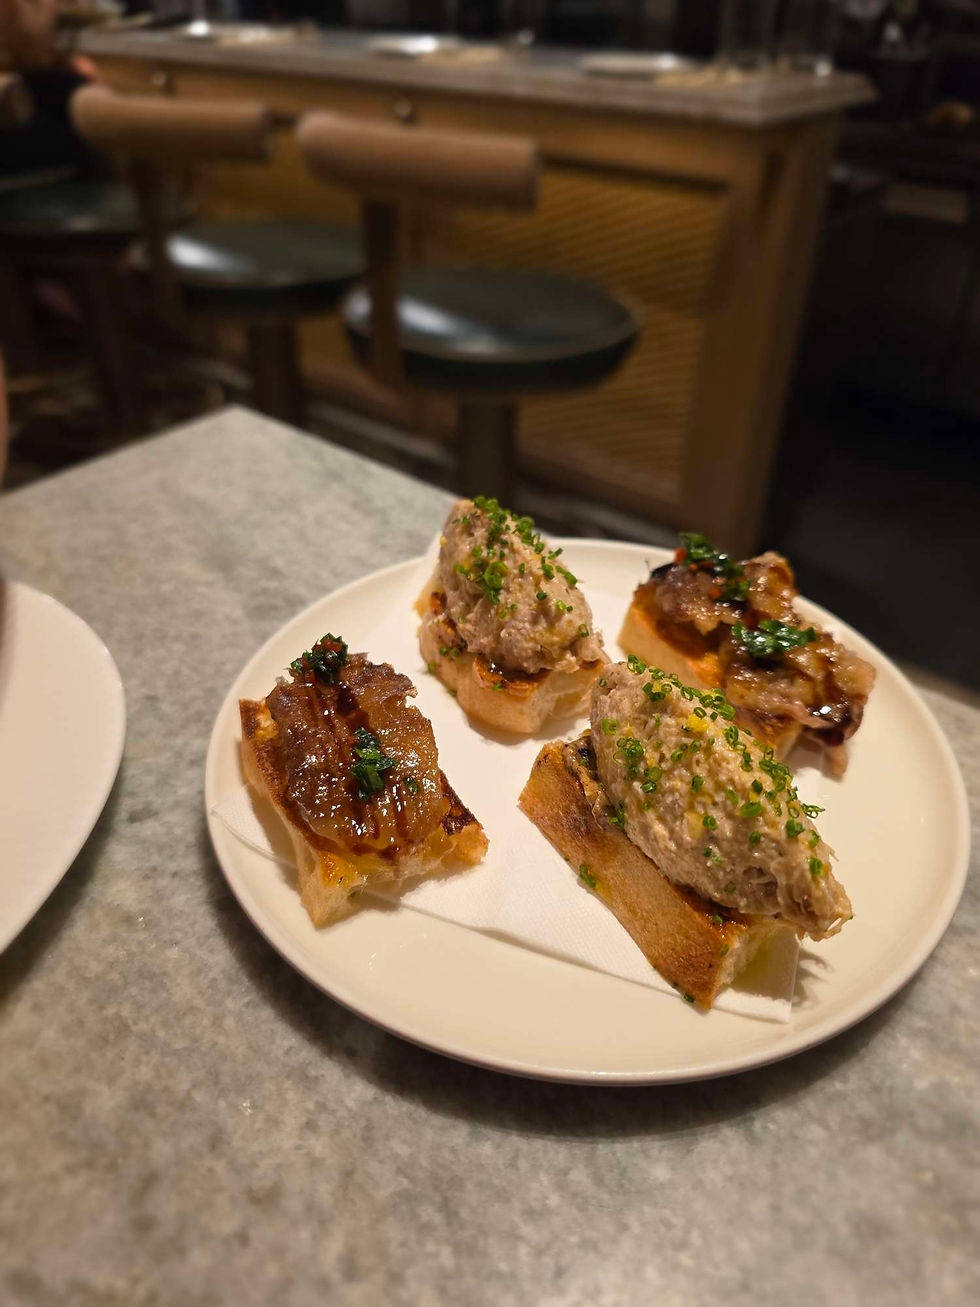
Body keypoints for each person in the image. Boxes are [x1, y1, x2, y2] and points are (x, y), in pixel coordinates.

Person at [0, 0, 97, 178]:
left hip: (35, 72)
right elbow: (22, 50)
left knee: (77, 86)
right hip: (14, 76)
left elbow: (41, 47)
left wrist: (65, 61)